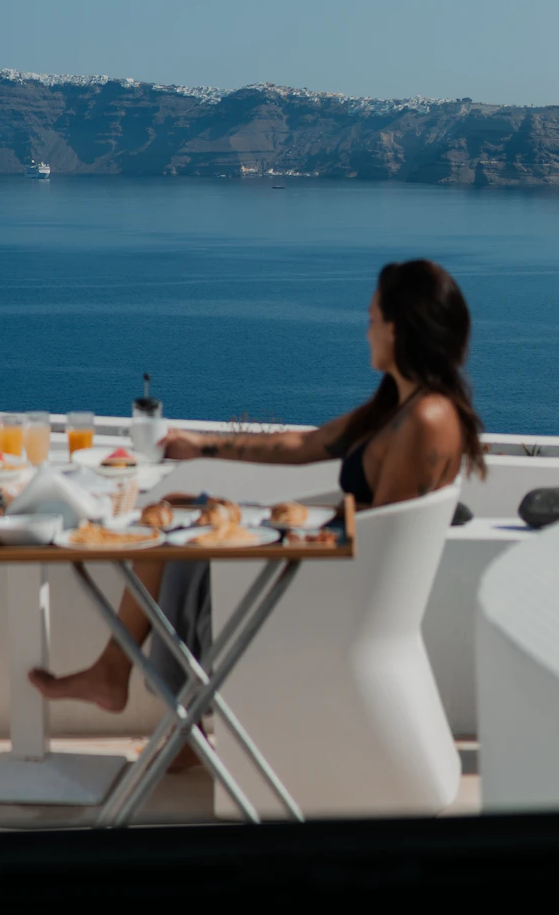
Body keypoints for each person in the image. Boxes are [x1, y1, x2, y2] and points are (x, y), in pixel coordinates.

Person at [29, 259, 485, 767]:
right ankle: (149, 697)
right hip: (334, 561)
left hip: (335, 590)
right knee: (174, 510)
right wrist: (200, 446)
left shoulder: (424, 419)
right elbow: (304, 445)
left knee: (185, 531)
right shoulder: (402, 407)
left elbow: (379, 545)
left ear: (398, 327)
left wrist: (262, 527)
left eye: (373, 317)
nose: (367, 329)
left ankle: (145, 695)